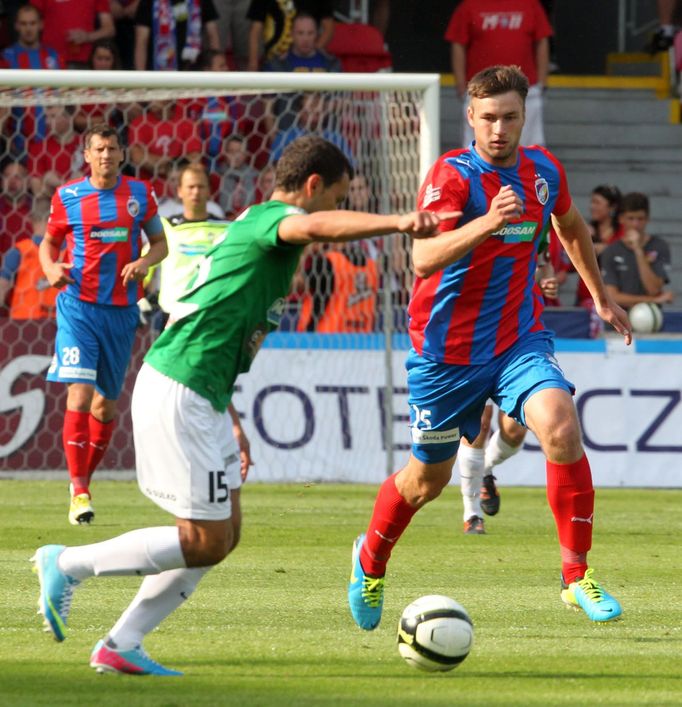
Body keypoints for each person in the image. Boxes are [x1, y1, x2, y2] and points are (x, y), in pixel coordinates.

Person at [31, 135, 446, 675]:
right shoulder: (273, 219)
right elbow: (312, 225)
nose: (338, 211)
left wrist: (230, 417)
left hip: (203, 392)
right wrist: (399, 222)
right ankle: (66, 563)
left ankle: (121, 644)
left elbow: (220, 320)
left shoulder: (257, 226)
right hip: (180, 386)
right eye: (338, 199)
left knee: (223, 536)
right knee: (202, 538)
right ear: (313, 186)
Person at [347, 65, 632, 634]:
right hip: (445, 353)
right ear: (470, 118)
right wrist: (487, 223)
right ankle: (370, 561)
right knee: (425, 482)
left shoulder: (544, 170)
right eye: (487, 118)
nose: (498, 129)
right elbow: (423, 259)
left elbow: (570, 226)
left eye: (508, 117)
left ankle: (576, 577)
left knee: (560, 426)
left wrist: (600, 297)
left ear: (524, 116)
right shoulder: (452, 177)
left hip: (518, 339)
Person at [38, 123, 168, 526]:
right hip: (78, 306)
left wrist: (145, 261)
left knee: (105, 406)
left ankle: (82, 481)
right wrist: (50, 268)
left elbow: (160, 243)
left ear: (122, 154)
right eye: (100, 149)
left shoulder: (139, 195)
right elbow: (48, 244)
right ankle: (79, 490)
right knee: (79, 395)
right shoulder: (68, 197)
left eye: (113, 148)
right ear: (87, 156)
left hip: (122, 311)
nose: (107, 155)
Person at [459, 252, 559, 535]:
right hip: (475, 338)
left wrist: (546, 279)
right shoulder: (478, 216)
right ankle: (472, 514)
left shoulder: (539, 217)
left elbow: (542, 263)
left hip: (518, 339)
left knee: (515, 429)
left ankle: (485, 469)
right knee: (477, 424)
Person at [445, 0, 552, 147]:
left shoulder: (530, 4)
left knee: (529, 149)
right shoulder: (469, 5)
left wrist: (542, 82)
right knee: (475, 148)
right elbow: (458, 44)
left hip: (526, 91)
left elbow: (542, 41)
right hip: (481, 92)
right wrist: (461, 85)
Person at [155, 162, 231, 325]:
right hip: (173, 313)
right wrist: (140, 298)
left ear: (209, 191)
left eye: (200, 187)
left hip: (210, 311)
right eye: (190, 187)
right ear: (179, 191)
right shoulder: (167, 227)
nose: (195, 192)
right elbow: (146, 262)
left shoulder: (226, 228)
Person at [600, 191, 674, 310]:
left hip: (651, 321)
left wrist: (638, 250)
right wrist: (653, 300)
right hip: (620, 322)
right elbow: (612, 296)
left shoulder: (659, 246)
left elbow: (654, 290)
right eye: (631, 218)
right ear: (621, 219)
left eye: (640, 219)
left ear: (647, 219)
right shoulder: (611, 251)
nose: (635, 224)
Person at [0, 196, 59, 319]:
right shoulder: (70, 253)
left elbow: (1, 291)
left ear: (30, 219)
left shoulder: (18, 252)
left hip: (22, 329)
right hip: (61, 328)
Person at [574, 185, 622, 333]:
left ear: (612, 207)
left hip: (614, 299)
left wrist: (607, 249)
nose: (592, 207)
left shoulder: (622, 235)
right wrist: (580, 243)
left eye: (597, 202)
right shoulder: (585, 230)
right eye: (591, 202)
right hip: (585, 298)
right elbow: (569, 266)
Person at [246, 0, 335, 71]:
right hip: (275, 62)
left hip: (311, 60)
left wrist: (310, 50)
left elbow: (328, 28)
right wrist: (253, 64)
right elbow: (255, 31)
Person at [133, 0, 220, 71]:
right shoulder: (149, 2)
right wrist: (140, 76)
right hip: (159, 73)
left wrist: (216, 68)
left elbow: (213, 34)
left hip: (195, 71)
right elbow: (141, 40)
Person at [31, 0, 115, 69]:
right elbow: (29, 20)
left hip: (83, 60)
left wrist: (87, 36)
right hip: (50, 60)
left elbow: (109, 29)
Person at [262, 13, 341, 72]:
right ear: (292, 34)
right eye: (300, 33)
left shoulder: (331, 64)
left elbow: (340, 92)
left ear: (317, 34)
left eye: (310, 33)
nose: (305, 39)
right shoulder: (276, 65)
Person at [216, 134, 259, 218]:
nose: (235, 156)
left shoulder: (255, 177)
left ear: (246, 154)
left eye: (239, 151)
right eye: (231, 151)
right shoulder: (216, 177)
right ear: (224, 153)